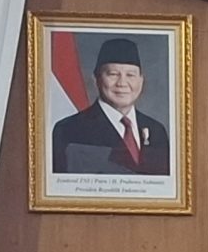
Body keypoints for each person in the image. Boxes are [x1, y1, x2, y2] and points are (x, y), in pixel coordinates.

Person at [50, 36, 171, 175]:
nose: (122, 83)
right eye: (113, 74)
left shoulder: (156, 131)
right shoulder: (69, 130)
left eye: (130, 75)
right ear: (97, 79)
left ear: (141, 81)